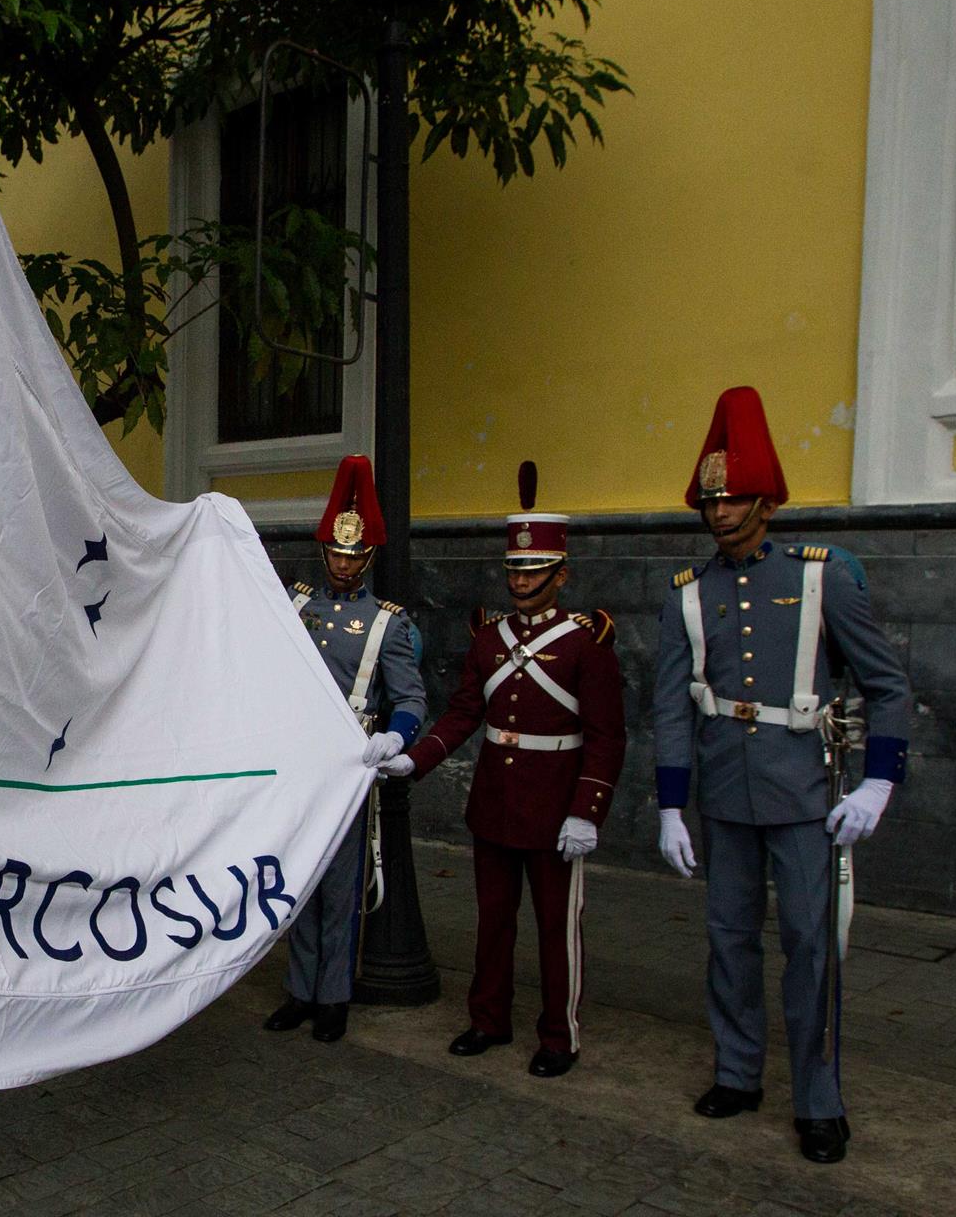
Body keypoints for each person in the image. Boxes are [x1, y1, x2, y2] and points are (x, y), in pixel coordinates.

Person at [653, 386, 910, 1164]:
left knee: (811, 945)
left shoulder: (825, 575)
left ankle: (819, 1099)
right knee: (729, 940)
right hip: (728, 794)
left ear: (766, 502)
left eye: (734, 499)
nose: (721, 512)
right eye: (711, 499)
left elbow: (887, 685)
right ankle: (737, 1072)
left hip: (805, 793)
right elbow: (672, 706)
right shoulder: (689, 597)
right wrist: (672, 805)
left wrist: (878, 781)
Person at [379, 462, 625, 1077]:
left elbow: (606, 738)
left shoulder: (584, 644)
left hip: (554, 808)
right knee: (493, 923)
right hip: (494, 803)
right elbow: (465, 714)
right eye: (515, 569)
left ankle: (558, 1036)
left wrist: (586, 812)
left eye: (535, 570)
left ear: (560, 574)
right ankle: (487, 1019)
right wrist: (416, 758)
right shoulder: (489, 638)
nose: (521, 581)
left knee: (555, 932)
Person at [265, 455, 426, 1043]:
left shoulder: (387, 623)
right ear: (323, 550)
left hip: (350, 764)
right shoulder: (296, 604)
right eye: (334, 553)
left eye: (352, 556)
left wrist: (395, 735)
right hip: (298, 761)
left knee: (339, 884)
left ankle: (333, 994)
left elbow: (411, 700)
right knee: (297, 879)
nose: (341, 564)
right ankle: (299, 988)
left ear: (369, 558)